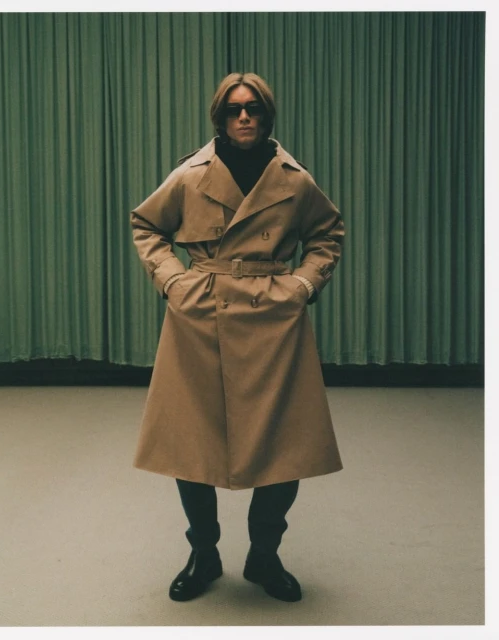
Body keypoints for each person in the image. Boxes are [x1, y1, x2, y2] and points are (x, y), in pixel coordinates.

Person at [130, 72, 345, 603]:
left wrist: (302, 285)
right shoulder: (191, 175)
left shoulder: (294, 179)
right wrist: (173, 281)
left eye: (253, 108)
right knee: (191, 443)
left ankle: (264, 555)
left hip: (275, 319)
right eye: (233, 109)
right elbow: (147, 226)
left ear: (267, 115)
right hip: (199, 316)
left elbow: (327, 235)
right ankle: (203, 553)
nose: (244, 117)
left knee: (285, 445)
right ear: (219, 117)